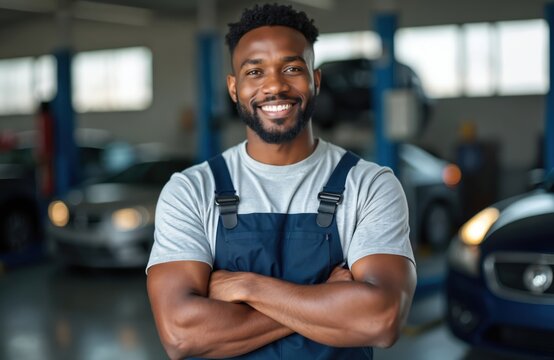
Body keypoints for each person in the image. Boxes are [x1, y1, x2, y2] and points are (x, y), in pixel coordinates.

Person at [146, 3, 416, 359]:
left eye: (291, 68)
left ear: (315, 81)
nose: (274, 85)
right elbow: (181, 334)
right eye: (255, 71)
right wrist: (324, 297)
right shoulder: (191, 191)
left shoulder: (369, 185)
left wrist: (247, 286)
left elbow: (380, 319)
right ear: (233, 88)